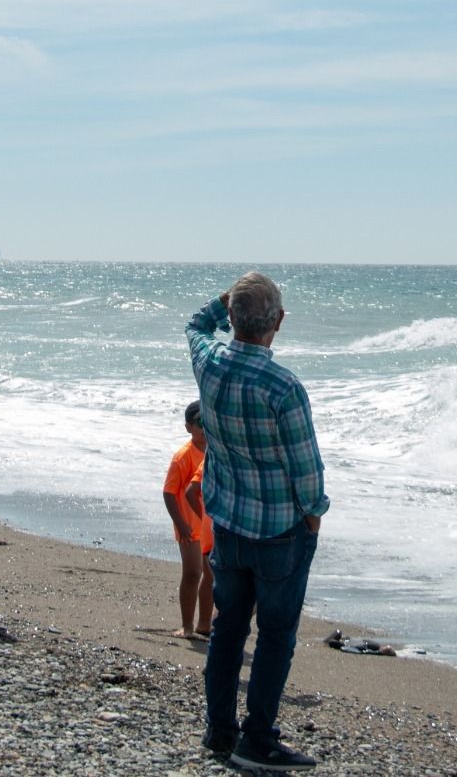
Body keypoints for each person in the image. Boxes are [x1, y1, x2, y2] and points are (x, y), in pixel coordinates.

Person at [187, 272, 329, 771]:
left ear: (232, 317)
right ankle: (258, 738)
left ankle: (220, 730)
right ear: (279, 322)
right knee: (274, 635)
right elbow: (305, 469)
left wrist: (224, 299)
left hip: (228, 520)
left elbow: (194, 325)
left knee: (228, 628)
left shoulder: (209, 362)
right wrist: (314, 514)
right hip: (278, 530)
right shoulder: (283, 386)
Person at [162, 400, 214, 638]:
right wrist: (181, 524)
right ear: (188, 427)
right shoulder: (183, 456)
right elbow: (169, 493)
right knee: (193, 573)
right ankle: (187, 625)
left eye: (207, 422)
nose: (204, 428)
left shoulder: (216, 453)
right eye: (199, 423)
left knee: (210, 576)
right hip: (188, 527)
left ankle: (205, 624)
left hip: (209, 527)